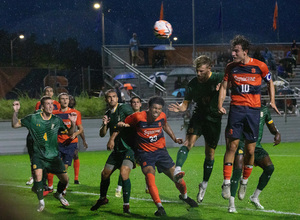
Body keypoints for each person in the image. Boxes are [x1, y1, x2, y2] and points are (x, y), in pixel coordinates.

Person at [218, 35, 280, 201]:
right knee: (232, 146)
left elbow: (270, 82)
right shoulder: (231, 67)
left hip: (253, 112)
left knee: (251, 150)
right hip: (236, 110)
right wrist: (220, 103)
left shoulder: (260, 66)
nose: (233, 53)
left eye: (236, 50)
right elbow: (224, 86)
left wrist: (272, 101)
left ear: (245, 52)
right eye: (232, 50)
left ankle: (244, 182)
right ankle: (226, 183)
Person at [122, 96, 198, 216]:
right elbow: (126, 122)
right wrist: (123, 124)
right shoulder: (138, 116)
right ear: (149, 108)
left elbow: (165, 125)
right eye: (154, 108)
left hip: (161, 152)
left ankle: (185, 197)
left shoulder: (162, 116)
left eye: (159, 108)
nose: (157, 111)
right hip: (145, 154)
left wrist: (174, 138)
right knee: (150, 176)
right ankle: (160, 207)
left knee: (177, 178)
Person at [168, 55, 224, 203]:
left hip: (214, 120)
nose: (198, 74)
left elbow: (229, 81)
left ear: (209, 68)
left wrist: (224, 85)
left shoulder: (218, 77)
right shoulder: (193, 84)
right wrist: (180, 108)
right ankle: (178, 169)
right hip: (198, 117)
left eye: (201, 71)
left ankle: (204, 184)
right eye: (197, 71)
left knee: (210, 154)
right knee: (188, 143)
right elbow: (186, 104)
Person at [12, 96, 77, 212]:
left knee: (65, 180)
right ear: (42, 106)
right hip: (38, 155)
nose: (51, 106)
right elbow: (15, 124)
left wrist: (73, 124)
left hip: (53, 156)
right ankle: (41, 202)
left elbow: (69, 133)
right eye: (47, 104)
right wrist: (15, 112)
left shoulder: (56, 120)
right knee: (38, 176)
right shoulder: (33, 118)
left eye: (52, 104)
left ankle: (58, 194)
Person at [228, 105, 281, 213]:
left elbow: (270, 124)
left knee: (269, 168)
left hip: (256, 146)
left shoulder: (264, 110)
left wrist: (276, 133)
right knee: (237, 169)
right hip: (241, 143)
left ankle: (254, 197)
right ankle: (231, 204)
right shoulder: (243, 106)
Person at [90, 89, 135, 214]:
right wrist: (105, 125)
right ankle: (103, 198)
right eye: (109, 97)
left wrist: (112, 138)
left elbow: (133, 120)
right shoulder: (108, 113)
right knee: (104, 174)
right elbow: (101, 134)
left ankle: (126, 205)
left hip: (128, 148)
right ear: (106, 99)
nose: (112, 99)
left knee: (124, 173)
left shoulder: (124, 108)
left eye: (114, 97)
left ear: (117, 98)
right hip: (117, 151)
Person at [47, 93, 84, 195]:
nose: (65, 100)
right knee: (54, 166)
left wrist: (75, 134)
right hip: (57, 143)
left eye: (66, 98)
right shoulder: (54, 113)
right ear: (59, 101)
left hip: (70, 143)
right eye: (62, 99)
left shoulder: (75, 113)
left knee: (64, 167)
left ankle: (63, 188)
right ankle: (50, 186)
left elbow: (81, 129)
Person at [115, 96, 142, 197]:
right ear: (131, 105)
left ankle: (148, 187)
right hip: (130, 146)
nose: (135, 104)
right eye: (133, 102)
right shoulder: (127, 117)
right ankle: (118, 188)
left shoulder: (144, 116)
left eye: (137, 102)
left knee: (148, 165)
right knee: (124, 168)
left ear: (140, 104)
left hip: (141, 145)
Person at [69, 95, 88, 184]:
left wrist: (84, 140)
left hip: (73, 139)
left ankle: (76, 179)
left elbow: (80, 128)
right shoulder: (60, 113)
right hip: (61, 139)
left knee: (75, 155)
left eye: (72, 99)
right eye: (69, 99)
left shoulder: (76, 113)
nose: (71, 101)